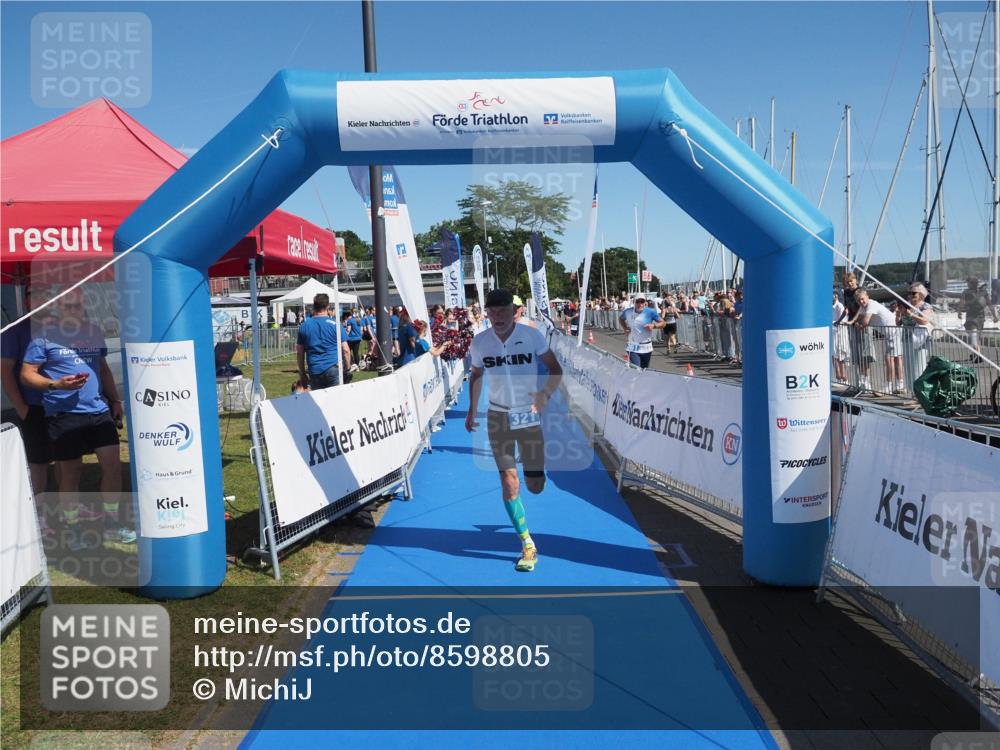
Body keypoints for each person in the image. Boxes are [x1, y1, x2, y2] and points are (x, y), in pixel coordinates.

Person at [20, 289, 134, 549]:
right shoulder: (44, 337)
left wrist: (115, 400)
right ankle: (73, 528)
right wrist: (55, 384)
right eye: (69, 307)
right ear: (59, 308)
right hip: (63, 416)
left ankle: (112, 523)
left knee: (113, 467)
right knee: (71, 474)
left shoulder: (92, 331)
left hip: (98, 412)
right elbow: (27, 374)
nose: (75, 311)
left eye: (79, 307)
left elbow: (103, 368)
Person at [466, 289, 562, 573]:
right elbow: (476, 374)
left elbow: (555, 370)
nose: (497, 317)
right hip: (498, 417)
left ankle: (536, 475)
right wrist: (472, 410)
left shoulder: (532, 336)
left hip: (527, 416)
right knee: (509, 482)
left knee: (535, 486)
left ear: (514, 311)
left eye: (503, 311)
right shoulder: (480, 342)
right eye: (492, 312)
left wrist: (544, 395)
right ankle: (527, 542)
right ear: (486, 312)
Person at [1, 285, 51, 496]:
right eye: (34, 293)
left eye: (46, 293)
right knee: (38, 461)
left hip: (64, 406)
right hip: (34, 406)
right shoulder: (17, 330)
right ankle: (39, 515)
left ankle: (67, 508)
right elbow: (5, 370)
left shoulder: (65, 326)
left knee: (68, 459)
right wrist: (21, 407)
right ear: (27, 300)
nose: (41, 298)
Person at [296, 293, 351, 389]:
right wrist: (348, 368)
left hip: (314, 369)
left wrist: (302, 373)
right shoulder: (336, 324)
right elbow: (345, 349)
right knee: (336, 400)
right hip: (333, 368)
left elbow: (300, 353)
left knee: (319, 401)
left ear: (314, 306)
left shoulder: (304, 326)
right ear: (328, 306)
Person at [854, 289, 903, 394]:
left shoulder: (871, 304)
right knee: (895, 358)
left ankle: (890, 387)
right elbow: (860, 320)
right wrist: (859, 324)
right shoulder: (864, 307)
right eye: (859, 300)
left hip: (893, 330)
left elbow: (865, 321)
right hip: (889, 332)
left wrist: (860, 325)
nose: (861, 302)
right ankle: (899, 385)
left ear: (867, 296)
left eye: (862, 299)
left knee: (890, 359)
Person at [897, 283, 934, 389]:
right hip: (906, 338)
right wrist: (898, 315)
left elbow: (925, 321)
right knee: (908, 367)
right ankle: (912, 393)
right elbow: (898, 323)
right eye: (909, 293)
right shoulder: (906, 304)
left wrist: (911, 315)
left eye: (914, 293)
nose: (911, 295)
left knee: (919, 367)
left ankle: (921, 394)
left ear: (921, 294)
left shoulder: (925, 306)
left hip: (920, 340)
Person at [619, 296, 665, 369]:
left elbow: (663, 323)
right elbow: (621, 318)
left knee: (644, 370)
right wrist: (625, 328)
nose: (640, 304)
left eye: (642, 301)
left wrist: (654, 325)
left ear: (645, 302)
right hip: (633, 346)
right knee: (637, 369)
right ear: (634, 302)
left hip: (646, 346)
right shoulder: (628, 311)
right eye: (637, 301)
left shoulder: (650, 312)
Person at [958, 276, 998, 360]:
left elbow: (961, 304)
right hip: (981, 318)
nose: (967, 284)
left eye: (968, 283)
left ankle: (978, 355)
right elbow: (990, 305)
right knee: (976, 337)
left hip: (971, 318)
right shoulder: (983, 292)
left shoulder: (966, 292)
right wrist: (995, 316)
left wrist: (959, 312)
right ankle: (975, 353)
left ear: (971, 283)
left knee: (973, 336)